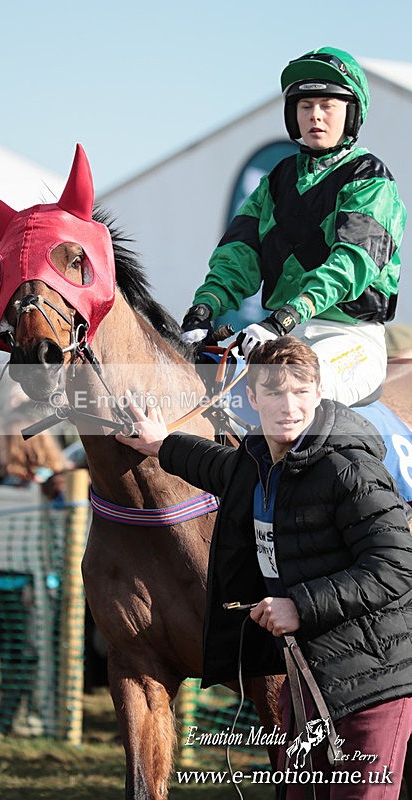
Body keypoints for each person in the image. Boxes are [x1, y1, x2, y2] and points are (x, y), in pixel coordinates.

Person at [116, 336, 412, 798]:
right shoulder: (263, 463)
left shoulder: (349, 467)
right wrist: (162, 444)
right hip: (307, 681)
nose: (288, 406)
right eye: (274, 393)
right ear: (252, 398)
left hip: (372, 686)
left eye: (300, 391)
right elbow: (219, 467)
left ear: (319, 393)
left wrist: (300, 606)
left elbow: (396, 566)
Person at [181, 46, 406, 407]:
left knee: (294, 393)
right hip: (280, 332)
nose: (315, 115)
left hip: (348, 336)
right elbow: (238, 255)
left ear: (351, 114)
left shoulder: (370, 179)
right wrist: (204, 308)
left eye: (327, 105)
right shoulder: (276, 181)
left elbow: (351, 264)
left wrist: (288, 315)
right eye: (305, 106)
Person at [0, 416, 70, 735]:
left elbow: (55, 541)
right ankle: (12, 711)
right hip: (9, 584)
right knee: (12, 651)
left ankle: (39, 714)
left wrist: (39, 581)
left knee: (35, 653)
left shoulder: (52, 489)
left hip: (36, 587)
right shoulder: (11, 486)